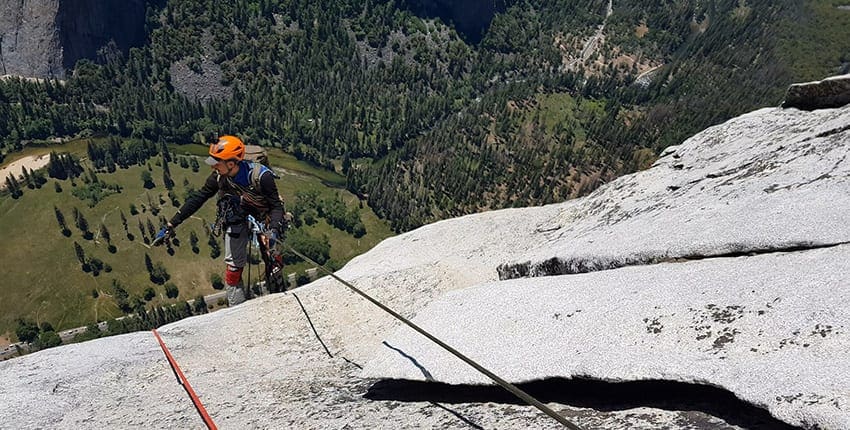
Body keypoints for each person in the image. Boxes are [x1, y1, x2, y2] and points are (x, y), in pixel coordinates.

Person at [159, 135, 286, 306]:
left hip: (265, 218)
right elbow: (199, 198)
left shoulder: (262, 176)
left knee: (273, 260)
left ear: (231, 163)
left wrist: (273, 231)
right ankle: (237, 311)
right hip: (235, 217)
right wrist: (172, 223)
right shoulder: (218, 177)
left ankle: (280, 297)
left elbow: (276, 207)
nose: (213, 165)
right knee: (233, 269)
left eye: (217, 162)